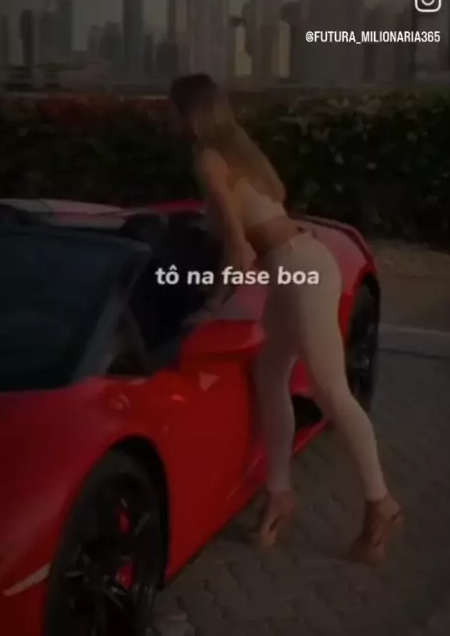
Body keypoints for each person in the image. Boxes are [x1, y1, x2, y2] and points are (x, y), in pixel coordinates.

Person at [169, 73, 403, 565]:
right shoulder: (241, 154)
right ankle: (279, 494)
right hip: (300, 264)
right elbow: (250, 242)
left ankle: (380, 502)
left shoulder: (208, 159)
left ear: (187, 114)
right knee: (270, 373)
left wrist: (208, 307)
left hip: (298, 270)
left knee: (330, 390)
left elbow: (239, 251)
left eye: (172, 111)